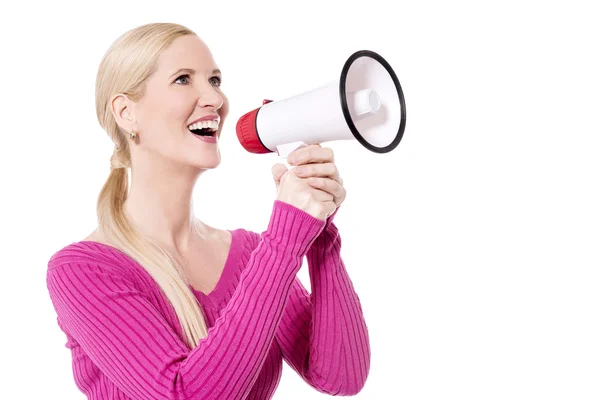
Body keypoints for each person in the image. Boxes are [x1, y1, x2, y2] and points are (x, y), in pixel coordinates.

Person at [46, 22, 370, 400]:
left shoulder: (251, 253)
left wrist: (319, 237)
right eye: (183, 79)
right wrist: (285, 238)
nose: (215, 100)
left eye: (215, 80)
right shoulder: (82, 270)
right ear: (126, 113)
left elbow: (340, 376)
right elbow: (187, 394)